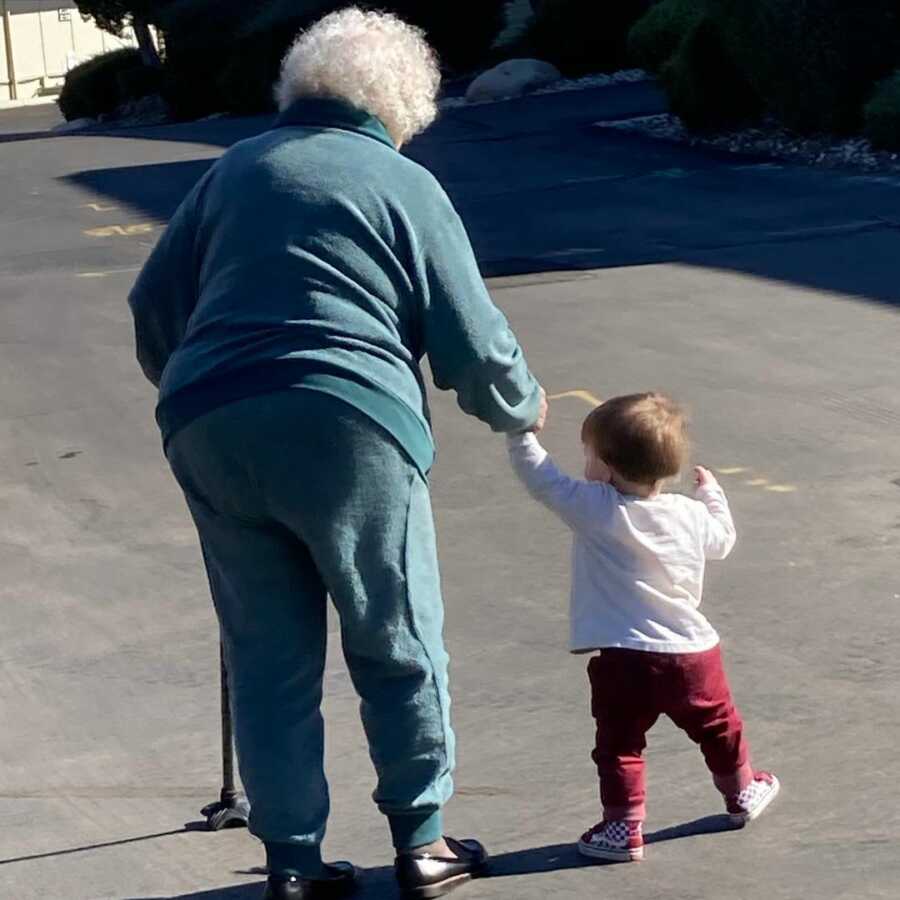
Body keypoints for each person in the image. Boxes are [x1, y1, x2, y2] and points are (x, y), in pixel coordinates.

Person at [128, 8, 546, 899]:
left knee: (267, 653)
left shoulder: (233, 169)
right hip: (346, 419)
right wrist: (520, 409)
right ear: (400, 105)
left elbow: (151, 307)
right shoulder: (402, 182)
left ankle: (292, 864)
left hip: (207, 418)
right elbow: (471, 341)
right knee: (395, 636)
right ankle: (423, 842)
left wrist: (199, 386)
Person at [507, 392, 779, 863]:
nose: (583, 463)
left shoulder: (598, 507)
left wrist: (520, 432)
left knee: (619, 744)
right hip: (694, 655)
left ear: (607, 467)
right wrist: (711, 493)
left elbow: (542, 480)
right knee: (719, 727)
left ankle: (622, 828)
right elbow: (724, 540)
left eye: (589, 454)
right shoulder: (689, 514)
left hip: (624, 656)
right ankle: (741, 792)